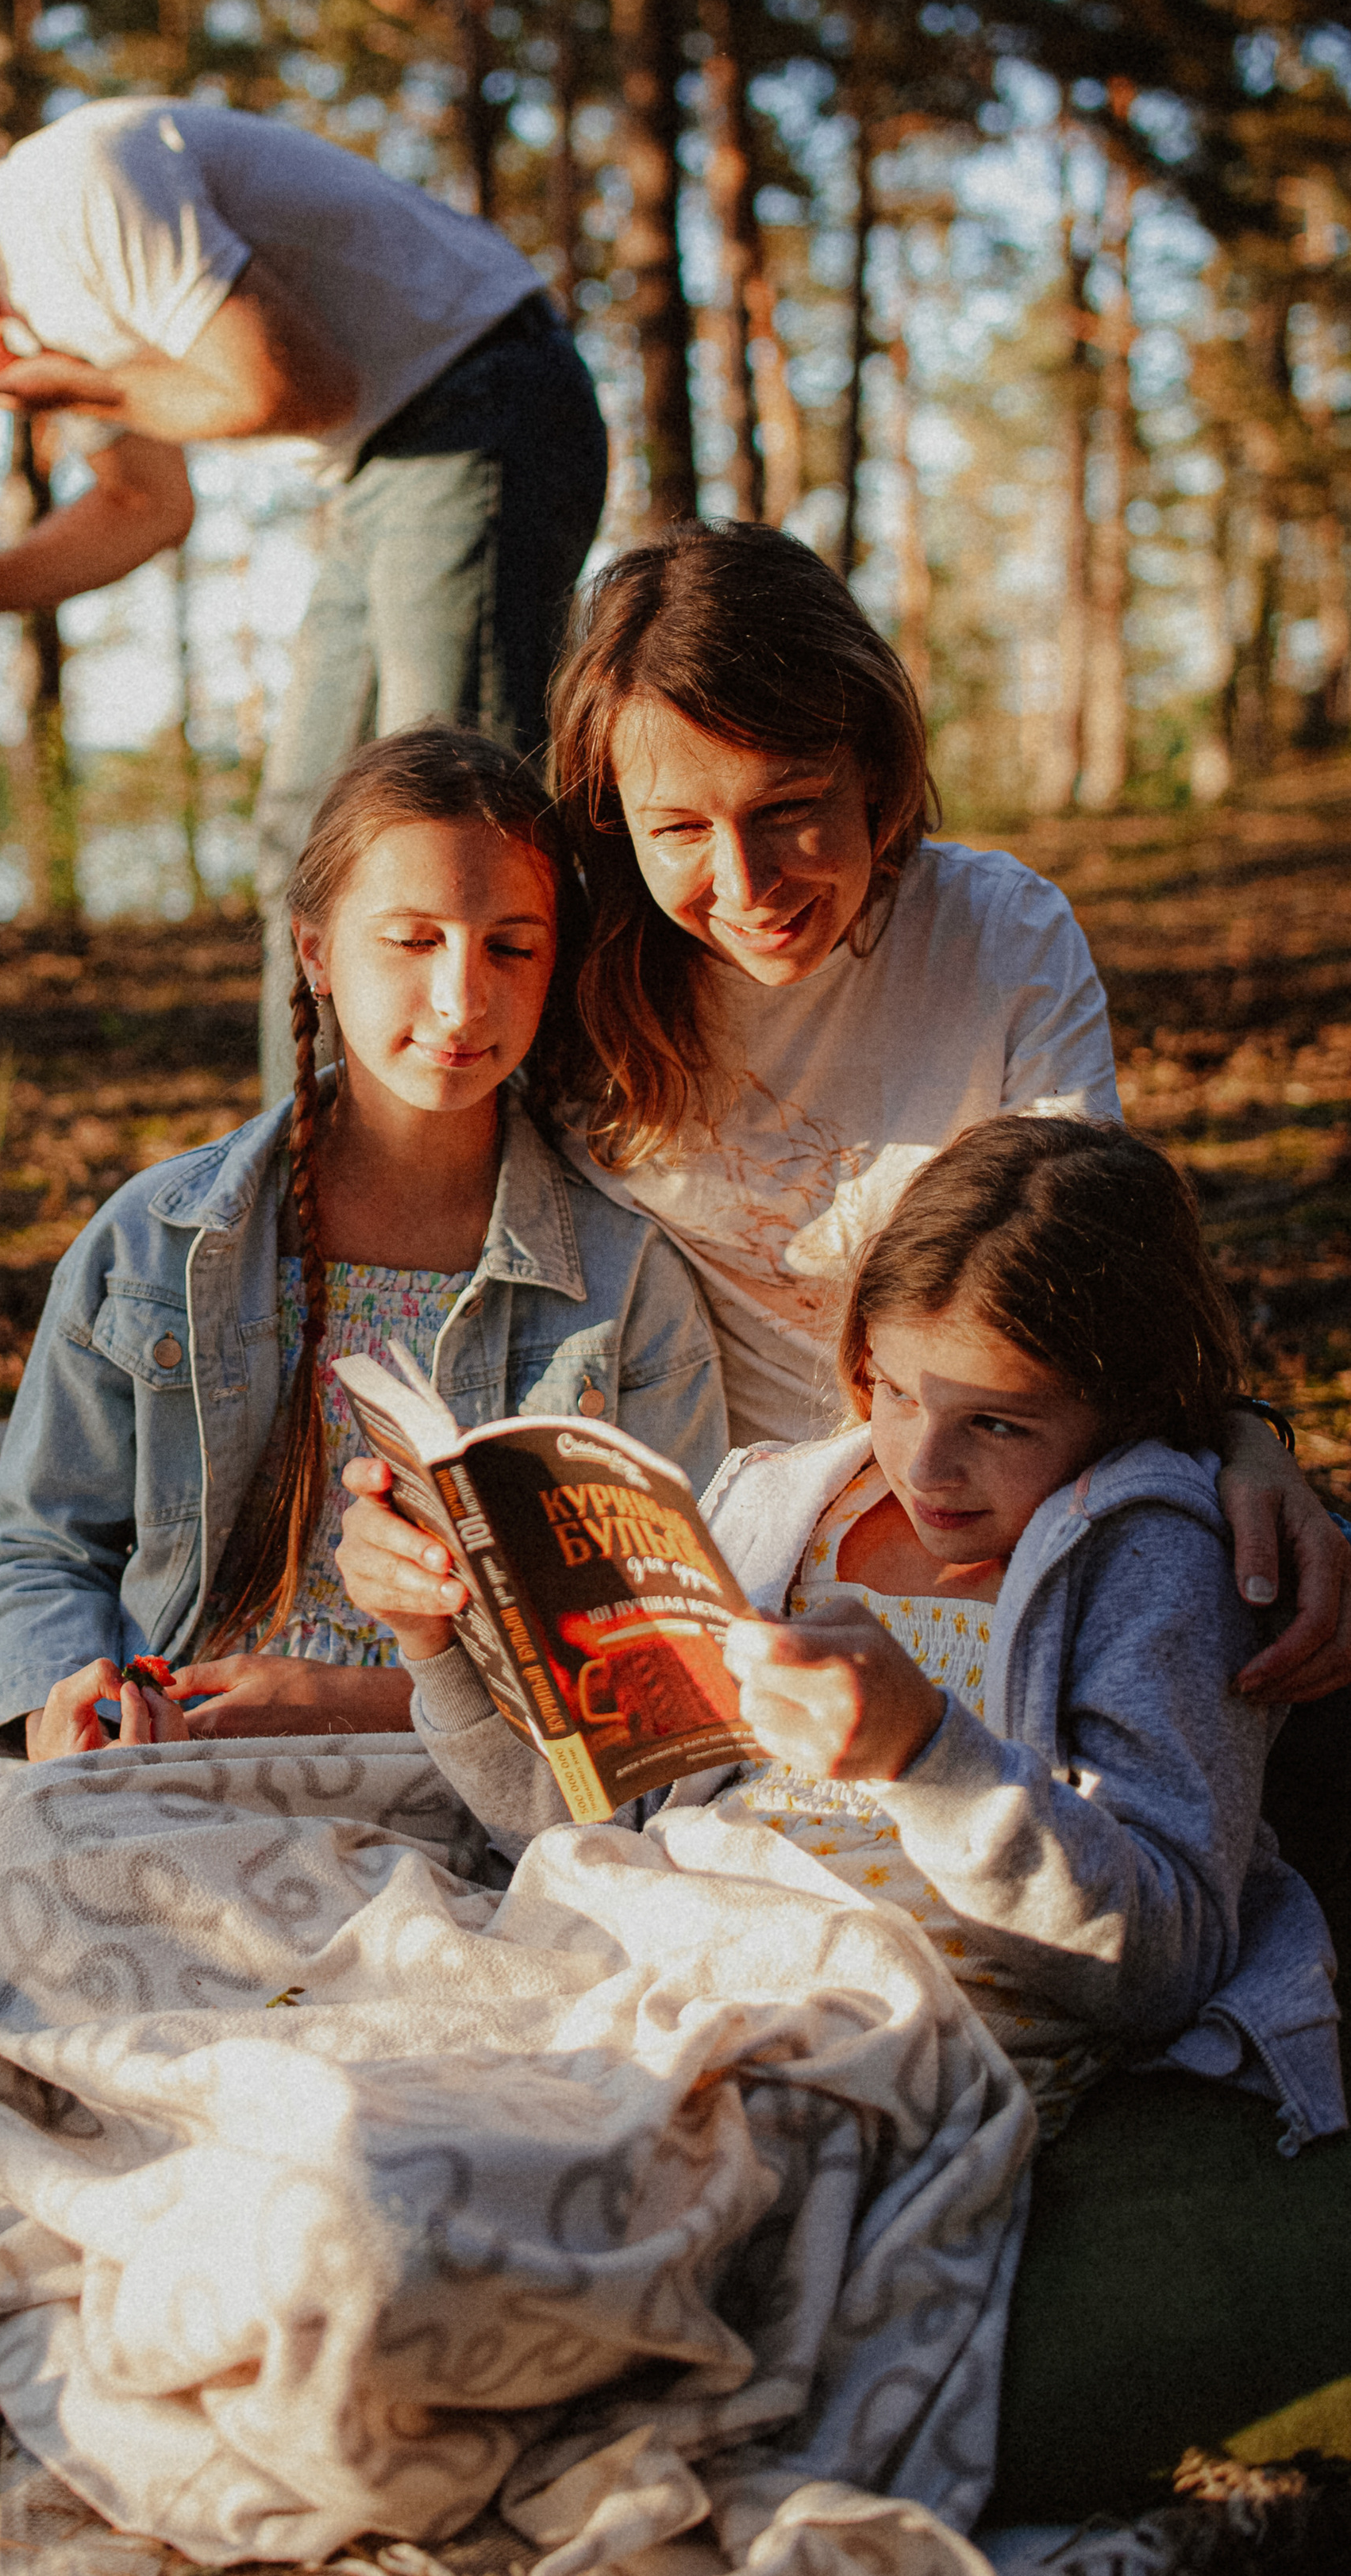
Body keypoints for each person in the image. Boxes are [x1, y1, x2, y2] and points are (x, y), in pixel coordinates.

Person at [341, 1115, 1345, 2151]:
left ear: (1125, 1404)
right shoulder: (780, 1506)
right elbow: (583, 1824)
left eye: (997, 1423)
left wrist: (929, 1757)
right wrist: (435, 1642)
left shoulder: (1153, 1561)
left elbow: (1163, 1961)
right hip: (647, 1947)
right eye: (897, 1392)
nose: (926, 1465)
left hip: (877, 2024)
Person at [541, 517, 1351, 1700]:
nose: (747, 883)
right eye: (679, 830)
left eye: (789, 807)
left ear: (875, 768)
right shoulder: (567, 989)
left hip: (1019, 1522)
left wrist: (1240, 1438)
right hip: (741, 1563)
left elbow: (1097, 1277)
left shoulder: (995, 935)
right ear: (614, 818)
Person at [0, 103, 609, 1098]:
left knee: (452, 827)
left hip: (482, 402)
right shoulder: (28, 319)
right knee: (311, 841)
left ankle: (539, 1148)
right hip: (377, 465)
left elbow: (300, 387)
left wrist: (82, 387)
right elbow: (142, 507)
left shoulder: (76, 190)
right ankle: (304, 1164)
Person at [0, 724, 722, 1762]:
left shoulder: (627, 1285)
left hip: (482, 1785)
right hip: (166, 1764)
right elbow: (47, 1548)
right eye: (412, 940)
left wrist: (345, 1702)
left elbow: (659, 1651)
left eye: (511, 947)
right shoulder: (150, 1244)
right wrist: (56, 1725)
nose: (461, 999)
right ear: (315, 950)